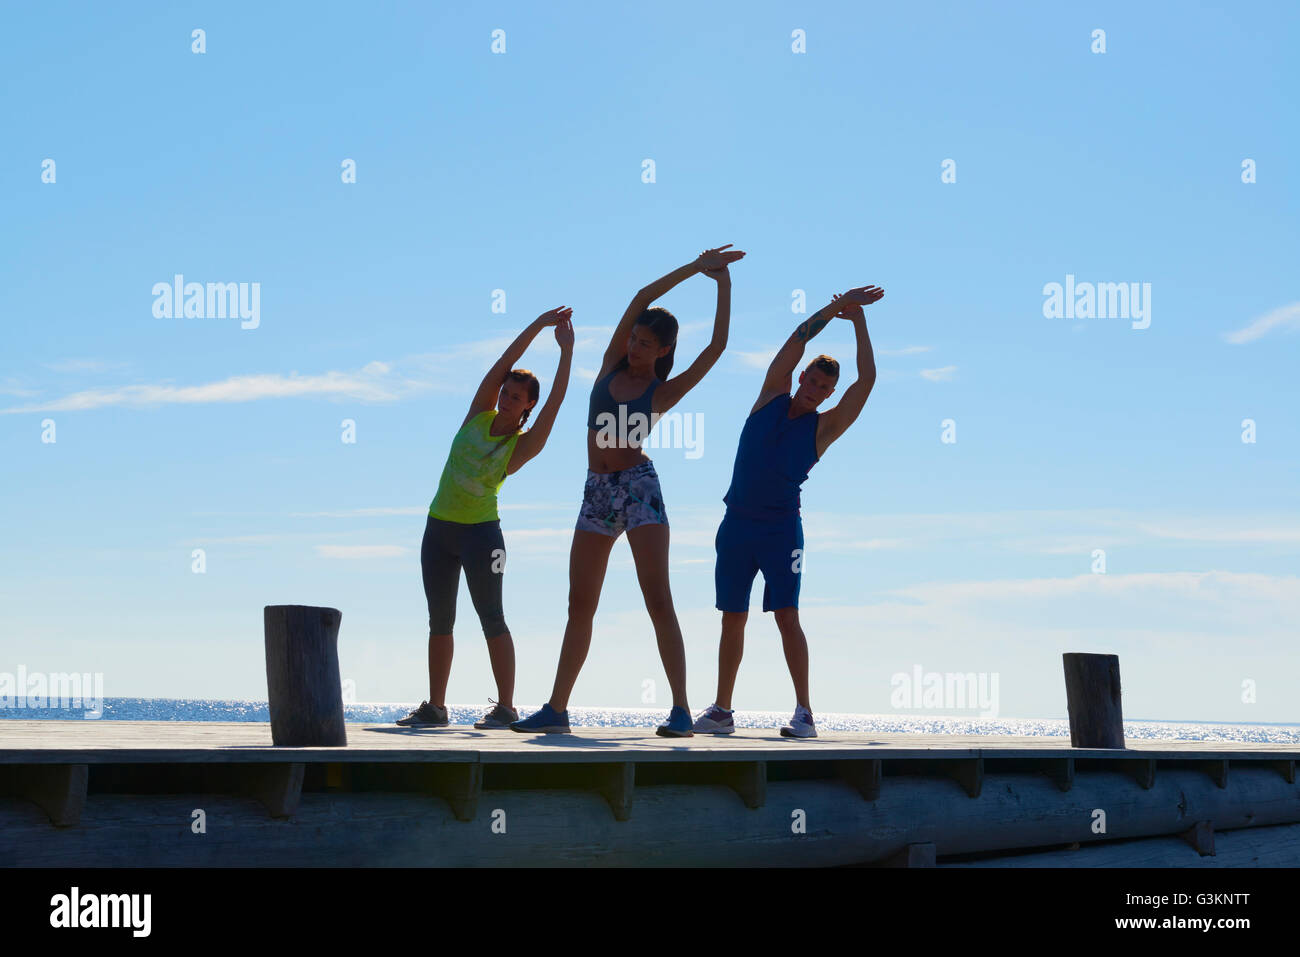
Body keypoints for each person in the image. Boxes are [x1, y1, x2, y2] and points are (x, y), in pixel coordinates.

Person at [512, 245, 746, 737]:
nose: (636, 346)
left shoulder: (662, 391)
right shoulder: (609, 367)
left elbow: (716, 349)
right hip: (596, 491)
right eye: (634, 339)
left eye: (645, 343)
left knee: (657, 599)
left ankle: (681, 709)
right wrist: (696, 267)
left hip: (639, 490)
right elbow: (642, 295)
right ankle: (557, 709)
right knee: (580, 604)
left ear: (662, 351)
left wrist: (723, 287)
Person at [692, 284, 884, 739]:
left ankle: (804, 714)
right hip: (736, 524)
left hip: (781, 531)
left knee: (786, 616)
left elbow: (867, 383)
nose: (816, 390)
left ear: (829, 392)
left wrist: (859, 322)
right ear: (800, 378)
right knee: (731, 616)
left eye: (825, 387)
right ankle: (722, 710)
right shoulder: (769, 397)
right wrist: (836, 307)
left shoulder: (824, 428)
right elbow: (798, 338)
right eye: (813, 381)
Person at [398, 308, 575, 729]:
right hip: (438, 529)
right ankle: (436, 708)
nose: (506, 399)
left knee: (491, 616)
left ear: (528, 405)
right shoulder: (478, 414)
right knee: (439, 619)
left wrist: (565, 352)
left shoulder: (522, 445)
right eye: (505, 393)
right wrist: (537, 325)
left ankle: (506, 708)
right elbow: (500, 366)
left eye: (516, 397)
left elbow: (556, 402)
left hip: (483, 537)